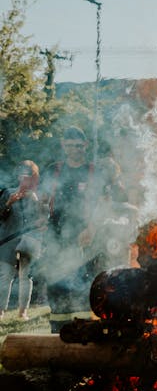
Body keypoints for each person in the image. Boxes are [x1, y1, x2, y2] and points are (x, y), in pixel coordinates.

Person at [41, 126, 121, 333]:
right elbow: (42, 200)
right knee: (56, 284)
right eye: (70, 146)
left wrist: (91, 229)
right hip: (55, 237)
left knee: (84, 284)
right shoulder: (53, 170)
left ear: (85, 145)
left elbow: (103, 204)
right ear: (63, 146)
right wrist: (42, 219)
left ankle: (85, 331)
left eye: (78, 145)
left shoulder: (94, 172)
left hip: (85, 237)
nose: (75, 150)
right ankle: (58, 331)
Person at [0, 161, 44, 321]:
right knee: (5, 275)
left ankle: (22, 312)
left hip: (30, 239)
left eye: (28, 175)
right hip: (7, 239)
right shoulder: (7, 193)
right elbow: (0, 216)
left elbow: (43, 219)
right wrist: (9, 203)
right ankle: (0, 312)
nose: (23, 178)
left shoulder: (37, 195)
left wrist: (36, 201)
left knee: (26, 276)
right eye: (21, 174)